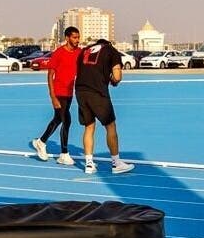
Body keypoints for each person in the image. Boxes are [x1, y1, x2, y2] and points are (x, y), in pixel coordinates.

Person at [74, 32, 133, 176]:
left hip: (81, 91)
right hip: (98, 92)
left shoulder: (84, 51)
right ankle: (116, 162)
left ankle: (89, 164)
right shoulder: (111, 51)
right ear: (108, 44)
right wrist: (114, 80)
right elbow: (117, 76)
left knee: (89, 127)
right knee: (110, 126)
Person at [31, 26, 82, 165]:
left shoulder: (79, 52)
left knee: (58, 119)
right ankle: (64, 154)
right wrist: (52, 96)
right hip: (58, 92)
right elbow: (50, 75)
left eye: (78, 37)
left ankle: (40, 142)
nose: (77, 40)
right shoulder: (58, 53)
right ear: (67, 38)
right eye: (74, 37)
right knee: (66, 120)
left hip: (69, 92)